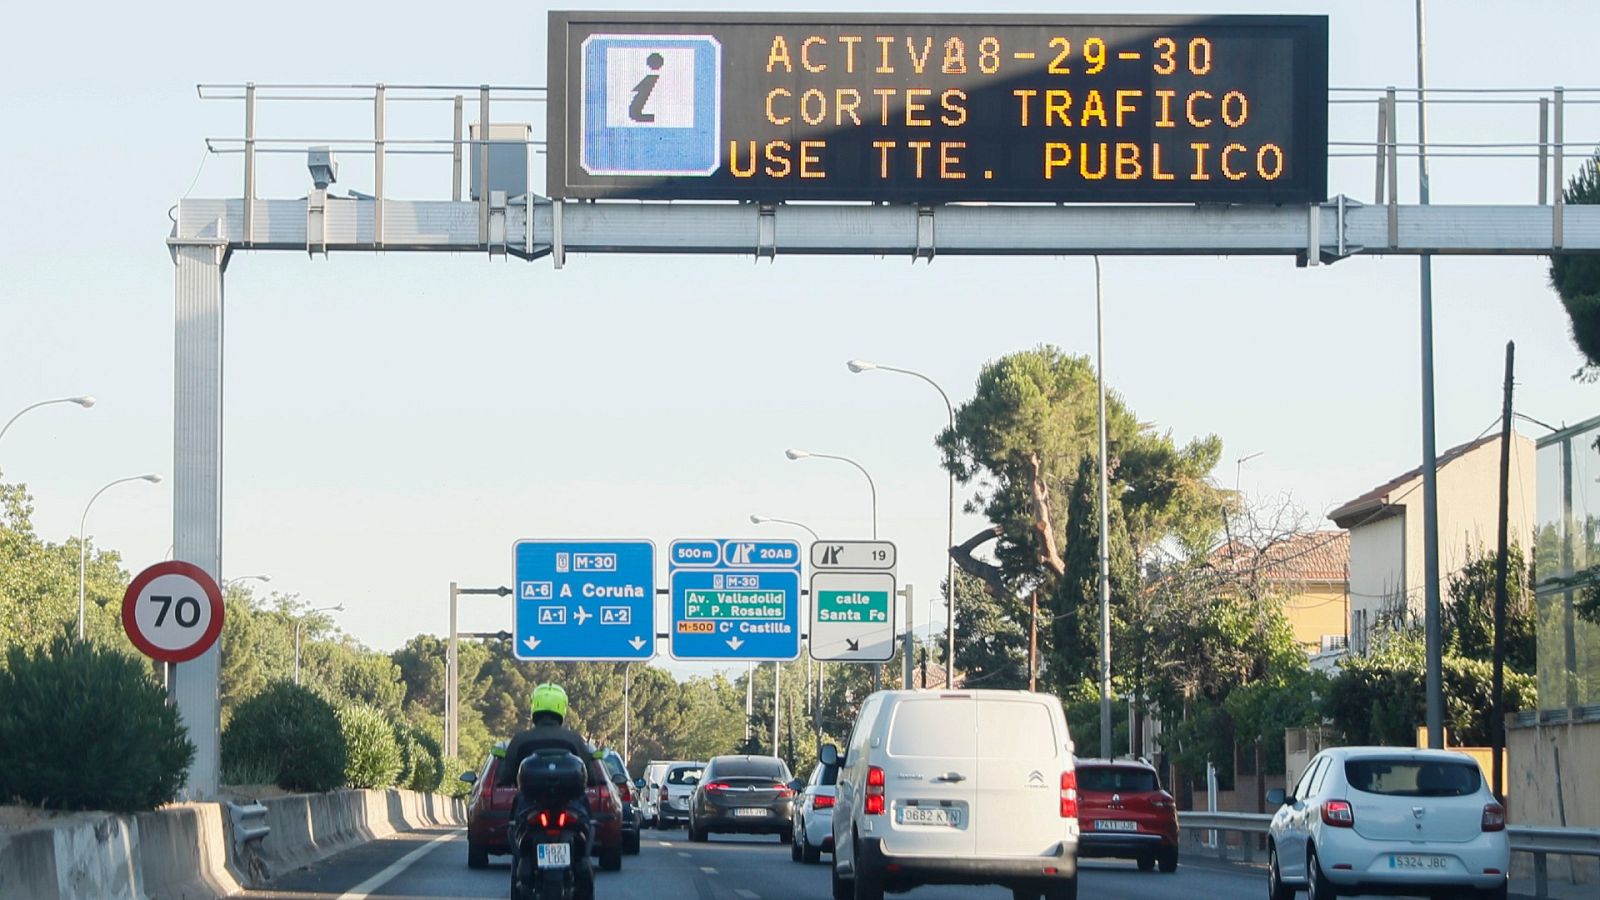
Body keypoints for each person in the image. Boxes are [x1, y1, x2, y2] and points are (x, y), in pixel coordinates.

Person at [500, 683, 595, 898]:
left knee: (515, 825)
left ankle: (522, 863)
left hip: (531, 806)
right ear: (562, 708)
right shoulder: (573, 739)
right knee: (588, 824)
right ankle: (581, 862)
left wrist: (503, 780)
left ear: (535, 707)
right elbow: (591, 774)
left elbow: (505, 774)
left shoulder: (521, 740)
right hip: (571, 806)